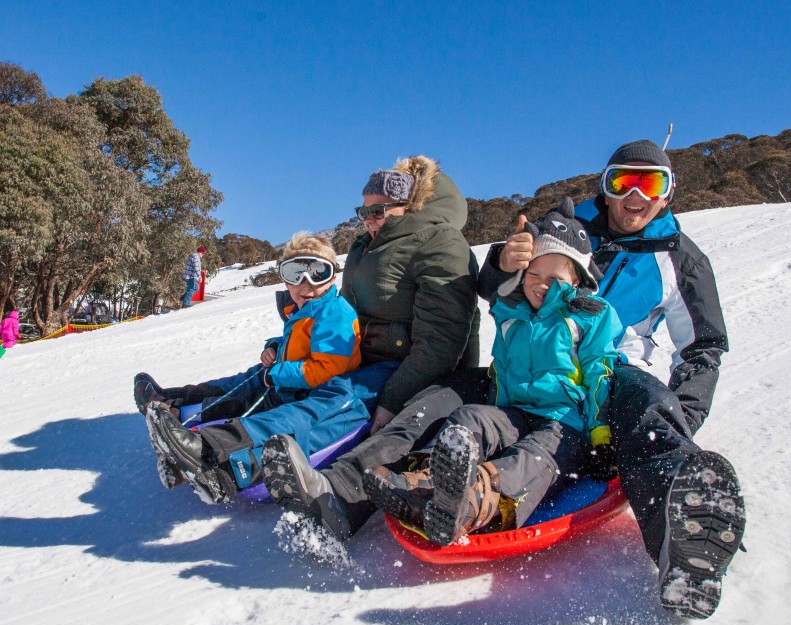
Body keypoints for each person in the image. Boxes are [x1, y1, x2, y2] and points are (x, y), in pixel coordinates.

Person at [259, 140, 746, 620]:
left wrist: (684, 415)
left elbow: (703, 348)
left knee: (650, 409)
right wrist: (501, 261)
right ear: (606, 185)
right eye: (622, 181)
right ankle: (341, 494)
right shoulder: (567, 228)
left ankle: (685, 536)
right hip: (520, 375)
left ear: (669, 191)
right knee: (440, 397)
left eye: (650, 183)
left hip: (607, 374)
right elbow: (497, 290)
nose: (635, 195)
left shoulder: (680, 260)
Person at [362, 198, 621, 546]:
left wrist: (601, 437)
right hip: (511, 412)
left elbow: (599, 373)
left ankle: (469, 504)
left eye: (556, 278)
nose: (541, 285)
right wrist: (504, 260)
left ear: (577, 279)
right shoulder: (511, 310)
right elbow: (491, 283)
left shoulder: (589, 314)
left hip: (563, 423)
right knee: (470, 417)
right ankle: (425, 482)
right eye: (534, 274)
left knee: (533, 458)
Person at [259, 155, 481, 538]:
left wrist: (392, 399)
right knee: (310, 385)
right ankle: (236, 443)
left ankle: (336, 497)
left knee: (400, 425)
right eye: (363, 211)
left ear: (408, 205)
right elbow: (345, 316)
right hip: (372, 361)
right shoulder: (367, 246)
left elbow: (440, 343)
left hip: (427, 374)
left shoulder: (440, 242)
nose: (368, 219)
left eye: (377, 211)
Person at [135, 232, 373, 503]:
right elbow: (295, 343)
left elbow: (328, 367)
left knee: (261, 408)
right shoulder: (303, 310)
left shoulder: (335, 313)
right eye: (295, 273)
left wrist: (277, 374)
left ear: (331, 278)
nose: (305, 283)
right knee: (240, 384)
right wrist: (274, 347)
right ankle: (174, 406)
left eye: (316, 273)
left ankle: (204, 447)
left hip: (313, 392)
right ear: (285, 279)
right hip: (289, 383)